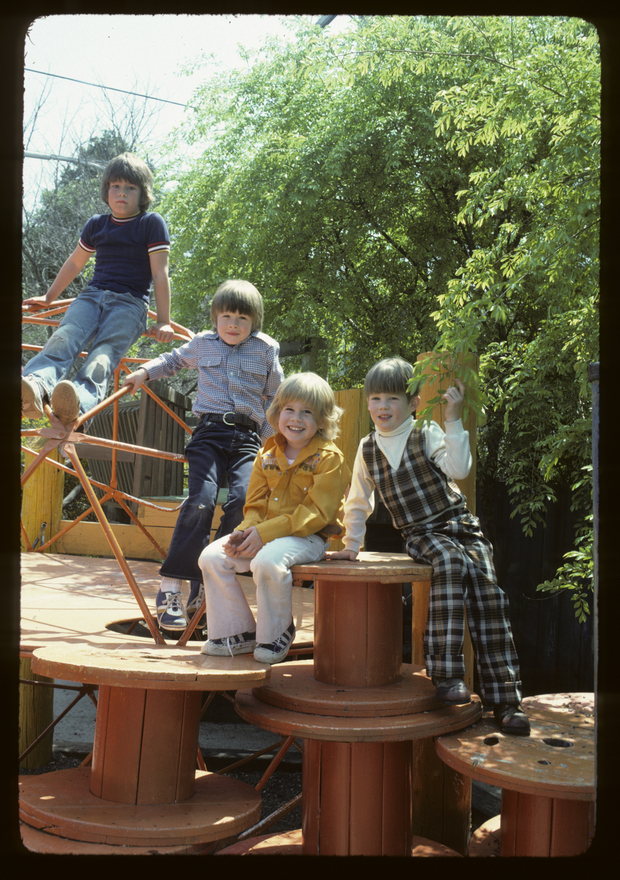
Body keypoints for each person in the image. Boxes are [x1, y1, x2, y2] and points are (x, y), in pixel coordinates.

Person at [327, 356, 530, 736]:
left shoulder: (427, 432)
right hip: (422, 533)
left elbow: (459, 468)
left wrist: (453, 420)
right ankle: (447, 675)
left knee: (488, 592)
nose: (383, 407)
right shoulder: (368, 448)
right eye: (376, 399)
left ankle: (506, 699)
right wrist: (351, 545)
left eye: (393, 399)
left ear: (414, 403)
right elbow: (357, 501)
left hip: (462, 526)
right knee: (449, 564)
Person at [122, 279, 284, 632]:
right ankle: (171, 587)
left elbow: (275, 398)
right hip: (209, 433)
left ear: (254, 321)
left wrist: (270, 442)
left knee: (243, 502)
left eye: (242, 318)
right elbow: (173, 361)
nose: (233, 324)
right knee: (200, 500)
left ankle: (206, 579)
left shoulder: (266, 349)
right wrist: (144, 372)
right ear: (215, 318)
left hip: (247, 437)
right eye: (226, 316)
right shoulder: (203, 343)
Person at [199, 372, 351, 665]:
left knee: (266, 561)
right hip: (264, 534)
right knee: (212, 557)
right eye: (289, 409)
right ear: (277, 412)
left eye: (307, 412)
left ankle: (277, 633)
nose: (296, 418)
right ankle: (237, 631)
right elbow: (255, 504)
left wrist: (264, 533)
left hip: (309, 538)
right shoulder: (266, 453)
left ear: (322, 420)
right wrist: (244, 531)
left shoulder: (329, 458)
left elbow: (317, 513)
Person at [21, 152, 174, 427]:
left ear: (143, 194)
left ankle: (77, 405)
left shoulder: (150, 223)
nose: (122, 193)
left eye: (131, 187)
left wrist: (163, 320)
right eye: (116, 186)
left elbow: (160, 273)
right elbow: (75, 262)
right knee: (64, 336)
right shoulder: (97, 224)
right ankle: (36, 386)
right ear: (106, 190)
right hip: (92, 296)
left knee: (102, 356)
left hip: (129, 303)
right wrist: (49, 297)